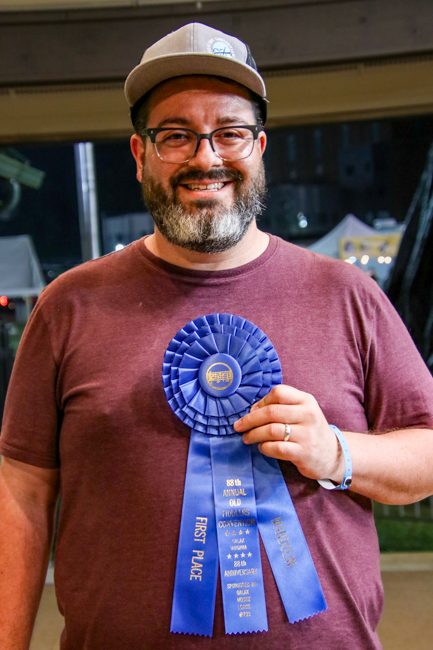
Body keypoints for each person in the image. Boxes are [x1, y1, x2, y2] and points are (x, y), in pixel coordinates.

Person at [1, 22, 433, 650]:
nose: (206, 157)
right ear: (138, 152)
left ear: (258, 147)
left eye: (228, 133)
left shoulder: (346, 294)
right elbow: (22, 491)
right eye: (176, 135)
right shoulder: (68, 305)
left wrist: (338, 451)